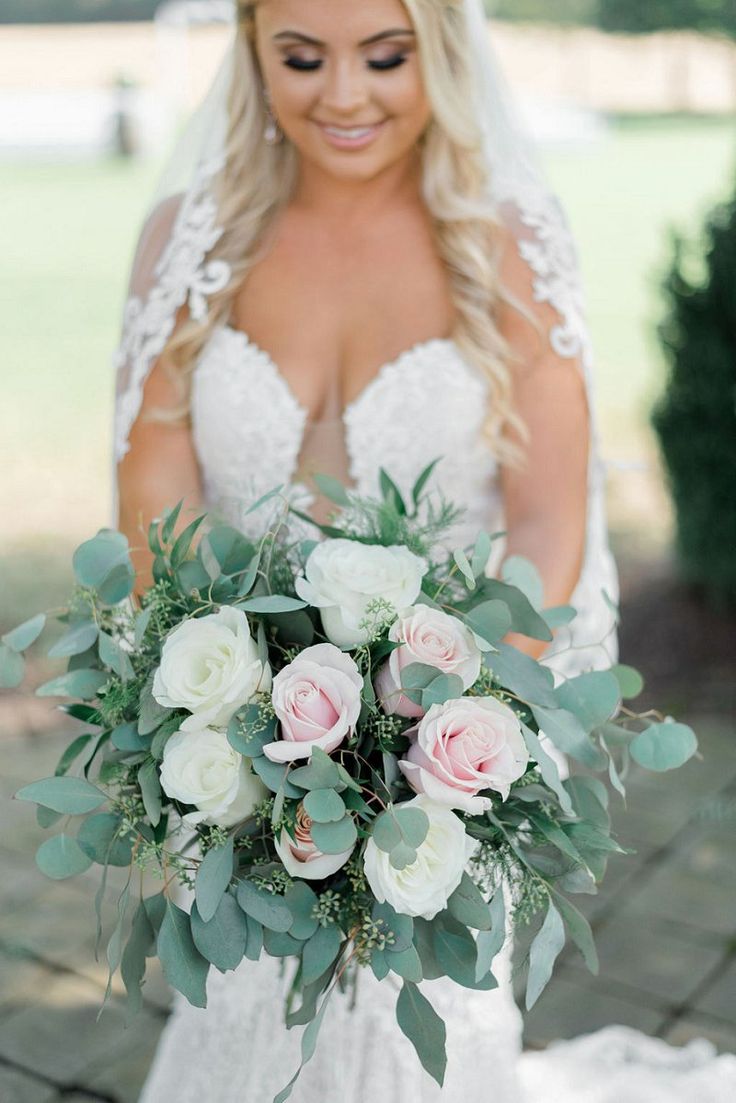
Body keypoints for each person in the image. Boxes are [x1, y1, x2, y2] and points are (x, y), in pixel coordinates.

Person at [113, 1, 735, 1099]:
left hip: (436, 760)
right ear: (252, 50)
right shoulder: (189, 241)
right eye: (300, 57)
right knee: (244, 1021)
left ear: (441, 51)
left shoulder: (507, 243)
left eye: (383, 55)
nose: (342, 95)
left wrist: (450, 716)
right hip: (240, 761)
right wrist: (214, 699)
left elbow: (548, 517)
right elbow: (154, 473)